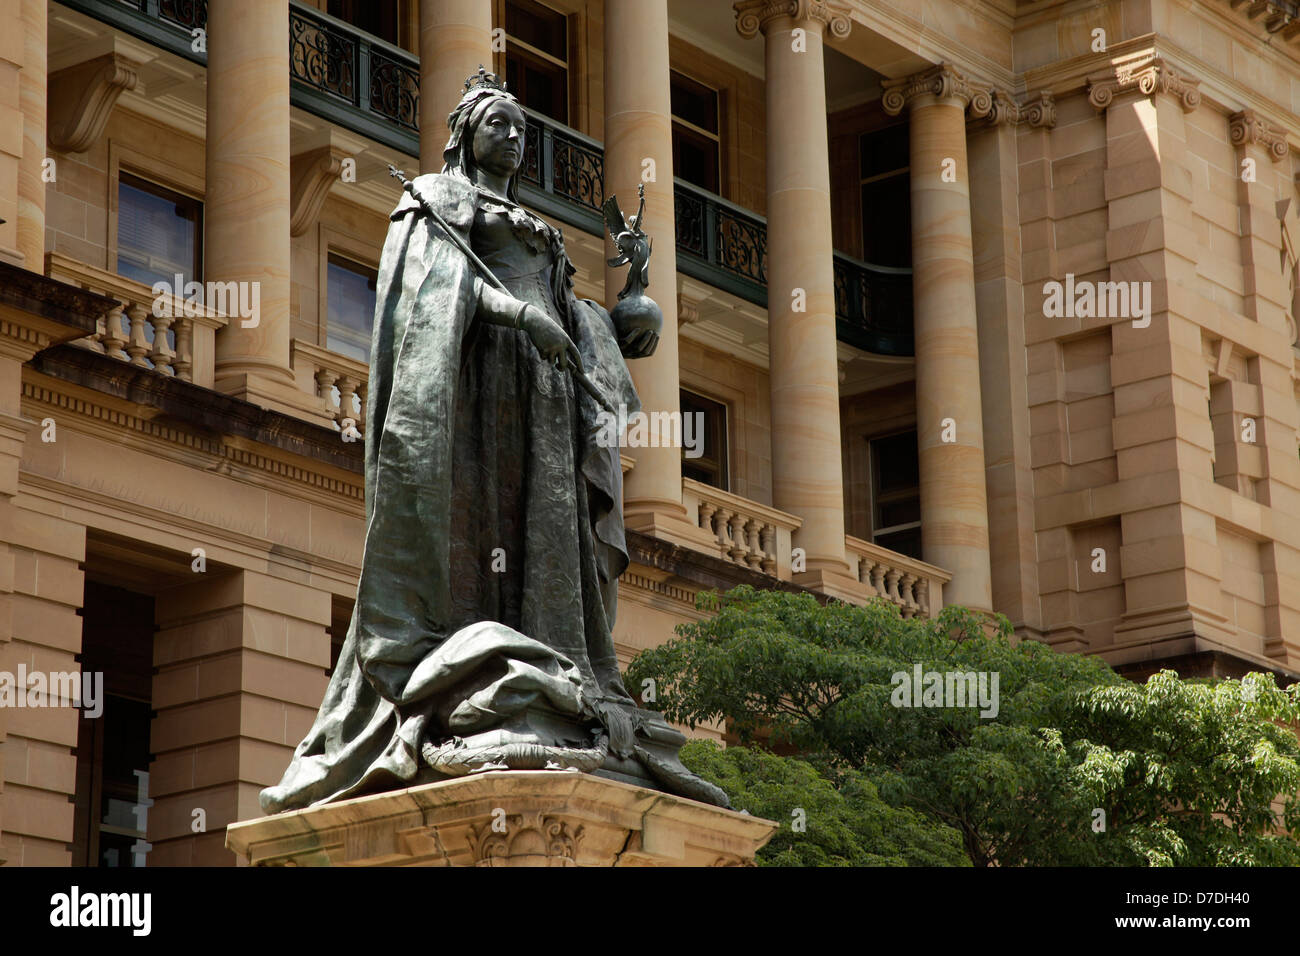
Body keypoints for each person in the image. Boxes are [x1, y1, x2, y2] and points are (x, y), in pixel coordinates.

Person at [259, 68, 726, 814]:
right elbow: (430, 286)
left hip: (546, 394)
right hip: (476, 386)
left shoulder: (538, 224)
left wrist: (627, 302)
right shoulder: (438, 200)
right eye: (499, 124)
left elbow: (578, 314)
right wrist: (517, 317)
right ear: (467, 136)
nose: (514, 137)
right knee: (482, 519)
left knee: (548, 528)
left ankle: (556, 667)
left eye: (520, 128)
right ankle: (471, 664)